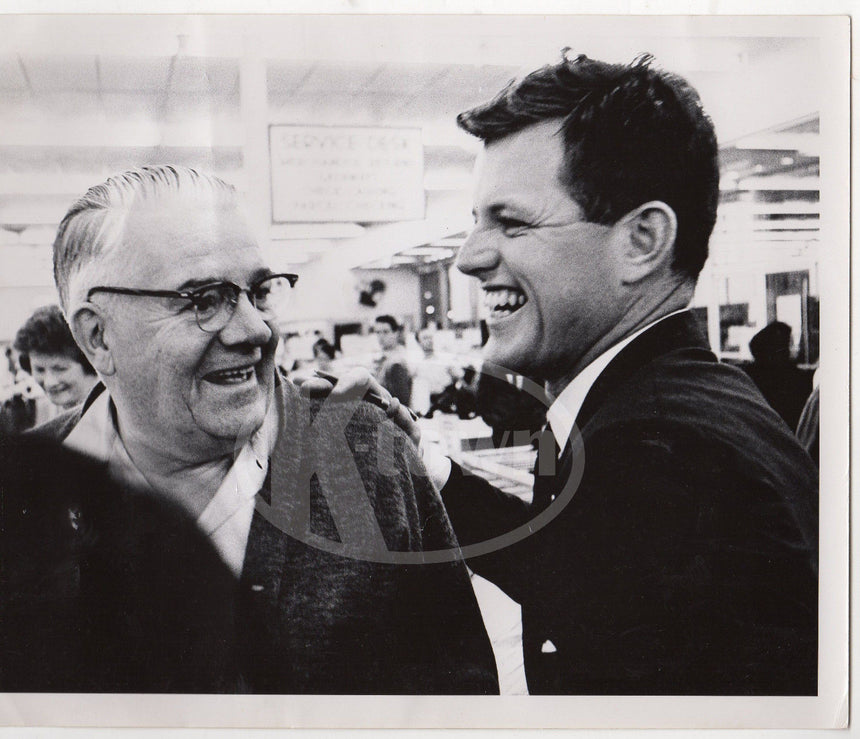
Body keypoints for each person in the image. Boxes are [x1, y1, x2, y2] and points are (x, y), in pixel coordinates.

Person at [317, 51, 818, 695]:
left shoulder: (660, 454)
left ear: (641, 242)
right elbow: (575, 572)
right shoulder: (674, 408)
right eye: (476, 222)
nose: (469, 258)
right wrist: (424, 464)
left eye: (513, 222)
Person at [0, 165, 497, 694]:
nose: (256, 329)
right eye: (204, 299)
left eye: (258, 291)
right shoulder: (10, 500)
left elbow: (462, 691)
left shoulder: (367, 454)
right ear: (98, 337)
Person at [13, 304, 98, 411]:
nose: (49, 382)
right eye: (39, 370)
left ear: (90, 364)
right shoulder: (44, 409)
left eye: (60, 369)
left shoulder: (115, 416)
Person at [743, 320, 814, 431]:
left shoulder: (749, 374)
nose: (796, 348)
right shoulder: (791, 378)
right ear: (780, 350)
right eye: (790, 343)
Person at [372, 314, 412, 406]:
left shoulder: (398, 361)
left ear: (396, 333)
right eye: (377, 332)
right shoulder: (380, 357)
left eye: (385, 332)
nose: (381, 336)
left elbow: (402, 401)